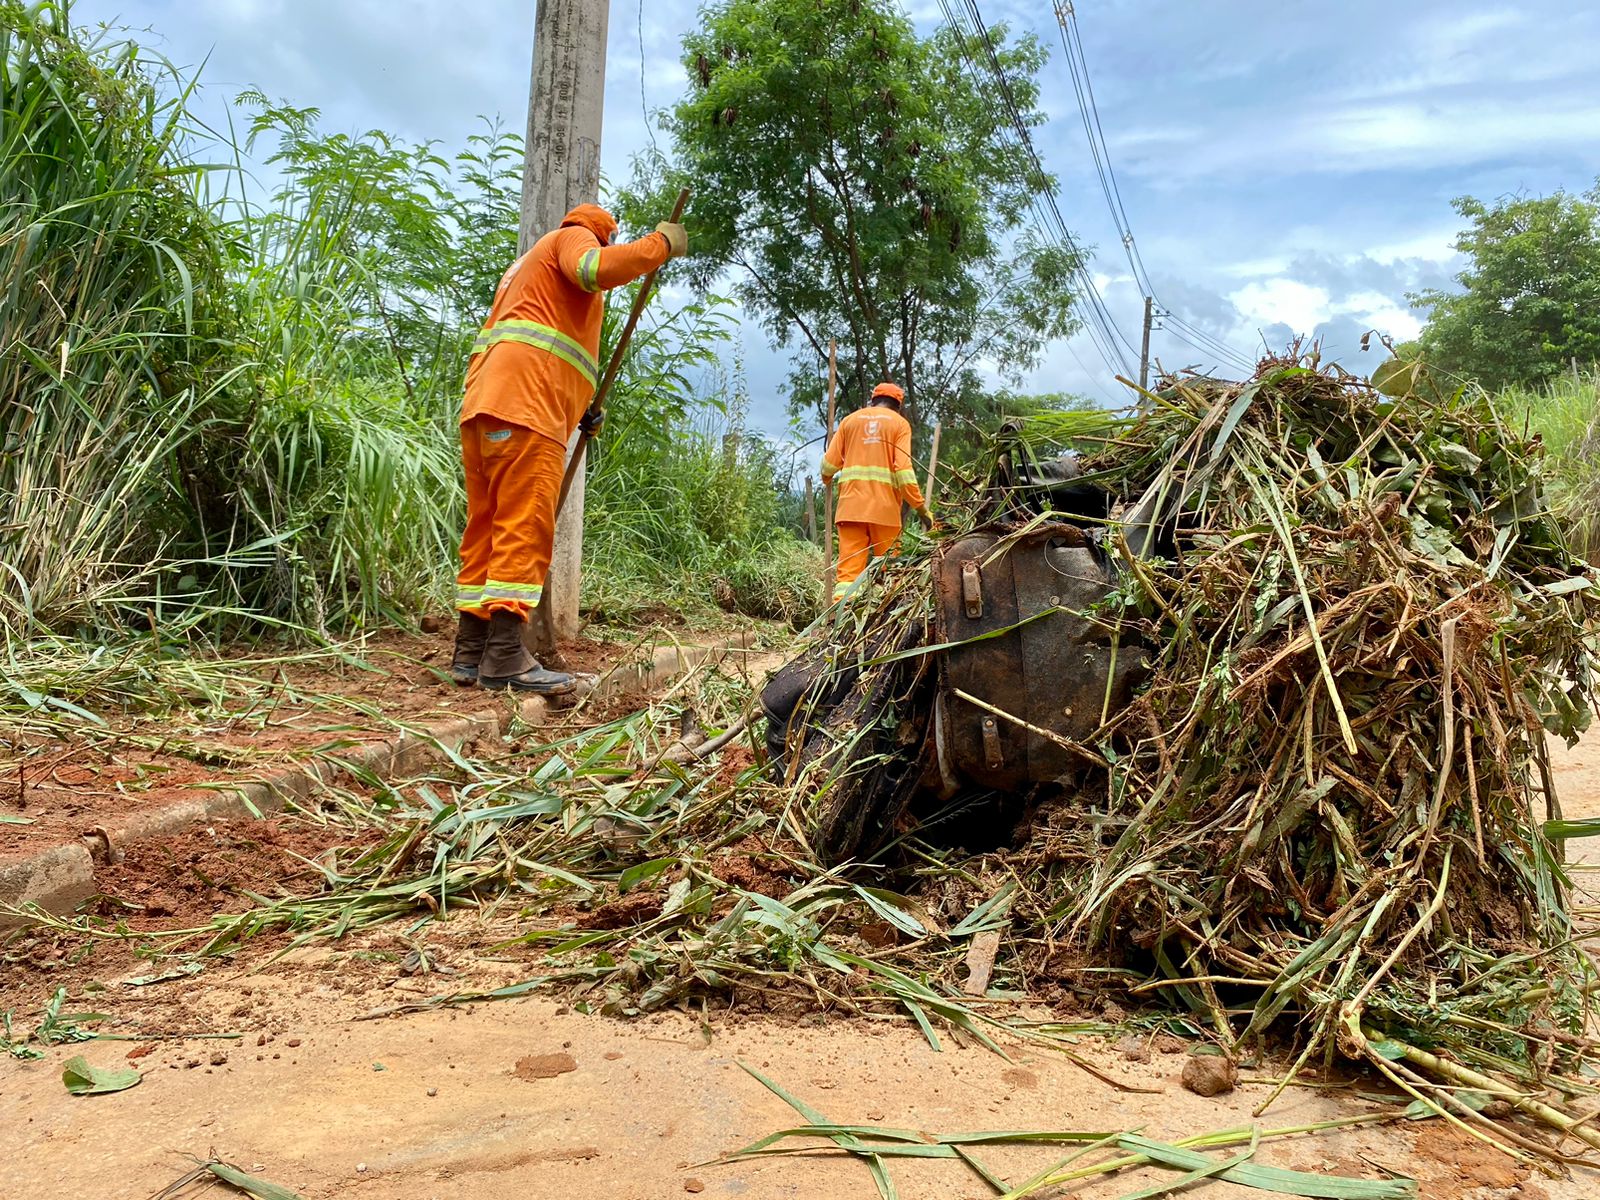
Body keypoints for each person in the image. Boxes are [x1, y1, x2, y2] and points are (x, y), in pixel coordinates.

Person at [451, 204, 688, 691]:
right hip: (527, 409)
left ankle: (469, 650)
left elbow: (545, 342)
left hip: (487, 408)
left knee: (487, 527)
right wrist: (658, 246)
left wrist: (579, 407)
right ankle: (504, 658)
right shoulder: (573, 240)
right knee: (523, 524)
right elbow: (593, 269)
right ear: (602, 234)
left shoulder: (525, 271)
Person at [820, 381, 932, 602]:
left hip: (850, 509)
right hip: (885, 511)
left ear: (872, 401)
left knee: (848, 576)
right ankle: (884, 622)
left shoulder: (849, 421)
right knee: (889, 570)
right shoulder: (899, 424)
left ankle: (842, 625)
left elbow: (828, 465)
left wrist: (826, 479)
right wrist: (921, 508)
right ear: (898, 405)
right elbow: (904, 473)